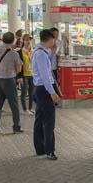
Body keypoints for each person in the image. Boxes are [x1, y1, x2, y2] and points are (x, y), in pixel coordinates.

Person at [31, 30, 61, 160]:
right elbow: (45, 76)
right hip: (44, 89)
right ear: (50, 39)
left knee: (40, 119)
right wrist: (52, 93)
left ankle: (40, 149)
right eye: (54, 39)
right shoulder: (41, 55)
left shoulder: (40, 52)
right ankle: (49, 150)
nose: (55, 41)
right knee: (48, 121)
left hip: (40, 88)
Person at [19, 33, 35, 115]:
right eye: (26, 40)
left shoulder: (33, 51)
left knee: (32, 92)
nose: (28, 42)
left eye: (29, 40)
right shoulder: (20, 51)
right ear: (23, 41)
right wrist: (19, 76)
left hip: (32, 74)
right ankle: (25, 109)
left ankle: (30, 108)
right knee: (24, 92)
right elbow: (18, 65)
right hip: (24, 75)